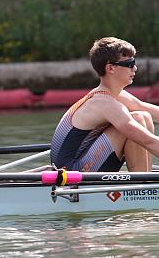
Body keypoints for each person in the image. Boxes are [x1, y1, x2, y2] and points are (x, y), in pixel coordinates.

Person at [50, 37, 159, 172]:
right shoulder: (103, 102)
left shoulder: (112, 94)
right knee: (137, 120)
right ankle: (142, 186)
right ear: (111, 68)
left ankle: (144, 180)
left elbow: (149, 110)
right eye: (130, 63)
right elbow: (148, 141)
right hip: (70, 172)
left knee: (144, 116)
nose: (135, 68)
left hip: (80, 162)